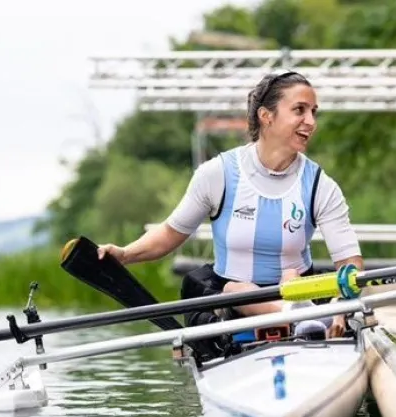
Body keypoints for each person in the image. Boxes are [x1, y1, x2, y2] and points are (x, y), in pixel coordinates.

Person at [95, 71, 364, 347]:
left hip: (297, 289)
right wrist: (124, 254)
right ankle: (298, 318)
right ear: (266, 116)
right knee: (231, 288)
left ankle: (298, 313)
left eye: (313, 112)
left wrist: (342, 304)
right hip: (233, 299)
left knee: (292, 279)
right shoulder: (218, 174)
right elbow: (169, 235)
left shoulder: (321, 185)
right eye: (299, 110)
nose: (311, 122)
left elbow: (349, 263)